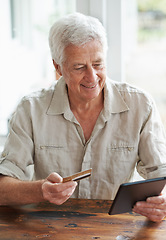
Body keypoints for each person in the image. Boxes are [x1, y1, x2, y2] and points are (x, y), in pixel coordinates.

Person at [0, 12, 166, 222]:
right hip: (51, 230)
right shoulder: (31, 109)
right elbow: (2, 189)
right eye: (79, 67)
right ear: (58, 67)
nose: (92, 77)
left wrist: (162, 200)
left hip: (115, 229)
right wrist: (41, 191)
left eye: (98, 64)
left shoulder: (140, 105)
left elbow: (160, 173)